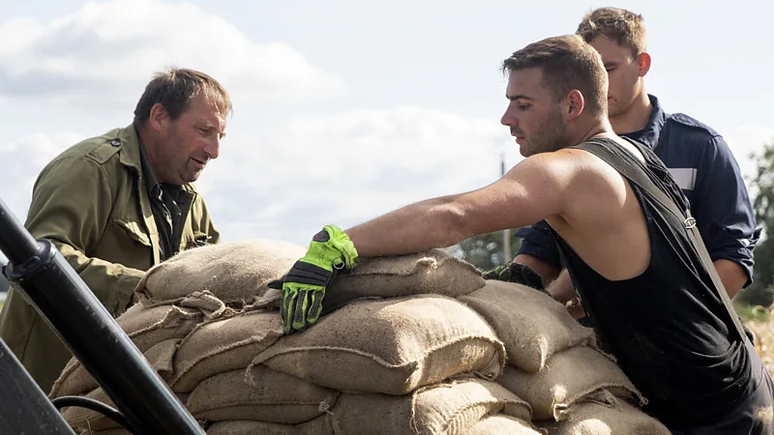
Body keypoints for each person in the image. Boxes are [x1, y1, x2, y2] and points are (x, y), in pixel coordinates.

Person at [269, 35, 774, 433]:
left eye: (523, 104)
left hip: (711, 416)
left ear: (573, 104)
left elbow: (456, 215)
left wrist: (340, 245)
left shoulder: (572, 170)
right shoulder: (635, 159)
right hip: (739, 389)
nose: (507, 118)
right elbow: (626, 279)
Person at [512, 7, 760, 318]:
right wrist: (510, 300)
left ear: (642, 64)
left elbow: (733, 257)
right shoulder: (566, 157)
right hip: (587, 339)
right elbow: (539, 251)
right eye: (589, 72)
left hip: (686, 342)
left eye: (608, 69)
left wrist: (667, 317)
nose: (597, 83)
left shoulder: (699, 147)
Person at [0, 67, 228, 393]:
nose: (214, 150)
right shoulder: (90, 169)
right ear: (159, 117)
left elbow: (218, 275)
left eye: (220, 136)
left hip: (122, 395)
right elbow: (40, 259)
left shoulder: (192, 205)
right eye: (204, 130)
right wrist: (148, 290)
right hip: (42, 395)